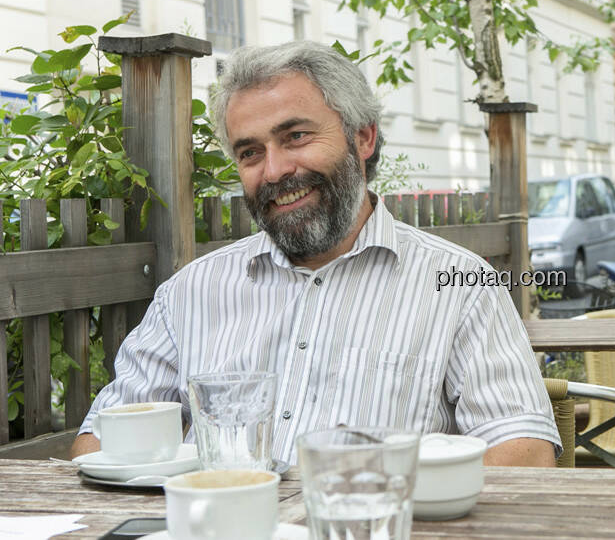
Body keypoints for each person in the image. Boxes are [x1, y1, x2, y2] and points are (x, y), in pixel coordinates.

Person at [71, 41, 559, 466]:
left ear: (362, 137)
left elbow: (523, 451)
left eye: (296, 137)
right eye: (250, 153)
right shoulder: (189, 293)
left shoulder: (460, 284)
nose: (276, 170)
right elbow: (100, 441)